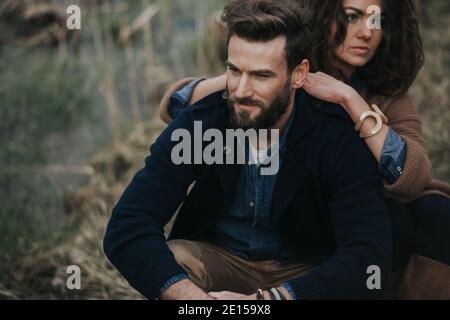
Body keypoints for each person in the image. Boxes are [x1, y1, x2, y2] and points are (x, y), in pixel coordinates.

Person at [104, 0, 392, 300]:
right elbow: (128, 224)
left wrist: (267, 302)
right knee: (174, 260)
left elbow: (369, 256)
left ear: (298, 74)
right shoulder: (202, 125)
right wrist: (191, 298)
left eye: (261, 75)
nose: (241, 91)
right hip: (218, 263)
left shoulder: (335, 135)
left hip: (304, 272)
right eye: (234, 71)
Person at [159, 0, 450, 286]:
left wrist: (350, 100)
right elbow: (177, 105)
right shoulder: (288, 62)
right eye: (351, 17)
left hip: (350, 217)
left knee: (431, 216)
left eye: (378, 20)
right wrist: (258, 78)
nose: (366, 32)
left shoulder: (385, 93)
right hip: (287, 225)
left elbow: (413, 177)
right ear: (324, 17)